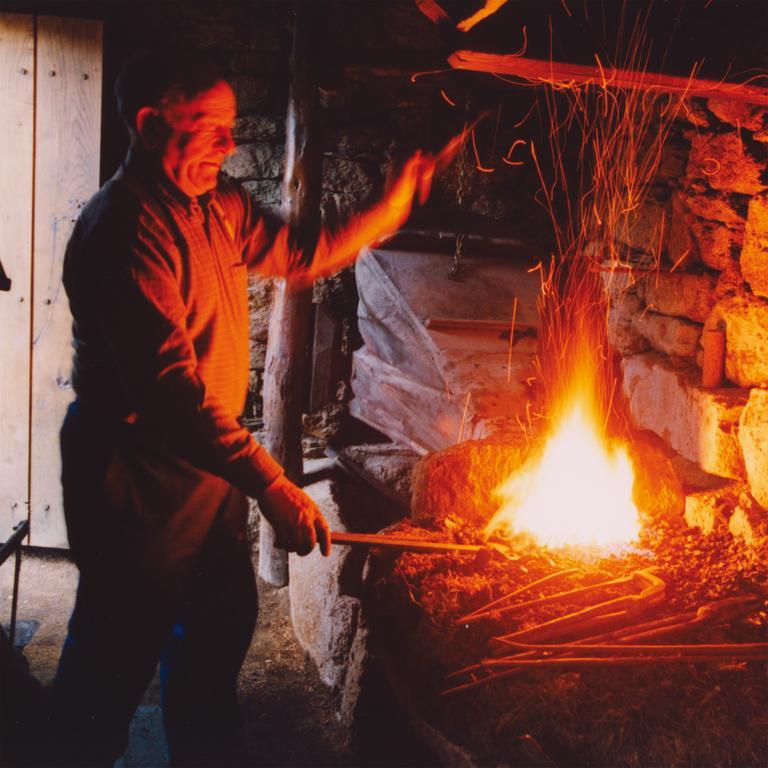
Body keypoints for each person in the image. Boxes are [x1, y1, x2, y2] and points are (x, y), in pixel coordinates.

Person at [50, 51, 436, 767]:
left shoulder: (214, 204)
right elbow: (173, 397)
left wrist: (389, 207)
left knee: (216, 630)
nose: (231, 144)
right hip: (135, 483)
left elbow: (299, 250)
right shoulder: (125, 232)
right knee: (112, 657)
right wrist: (271, 480)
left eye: (232, 128)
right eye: (213, 128)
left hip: (202, 479)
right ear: (148, 124)